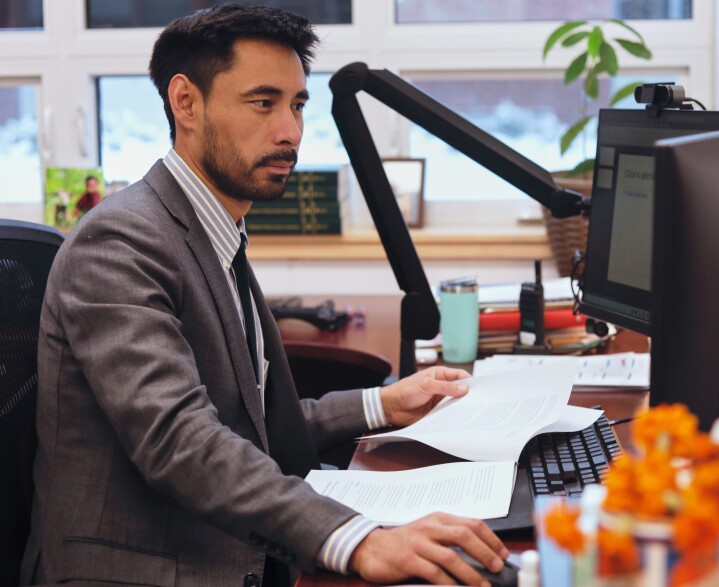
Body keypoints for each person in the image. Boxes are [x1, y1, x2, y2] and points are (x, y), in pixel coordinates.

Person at [21, 4, 507, 587]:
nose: (291, 131)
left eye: (298, 105)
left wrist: (385, 405)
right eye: (263, 102)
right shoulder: (119, 243)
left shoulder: (213, 230)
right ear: (187, 103)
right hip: (149, 569)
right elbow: (179, 439)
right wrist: (358, 540)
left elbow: (242, 424)